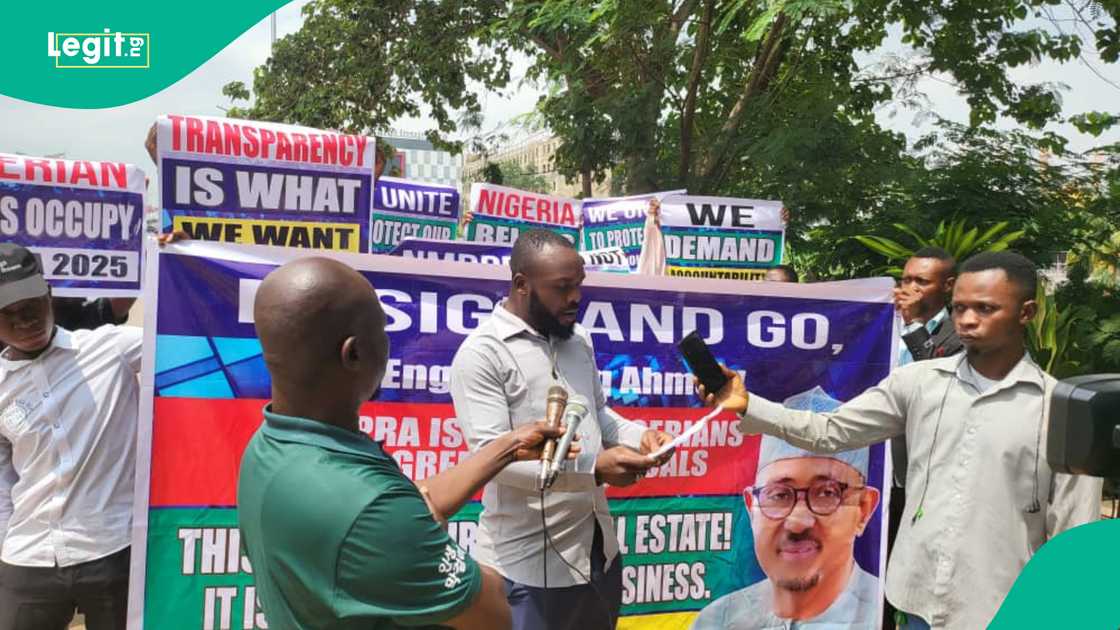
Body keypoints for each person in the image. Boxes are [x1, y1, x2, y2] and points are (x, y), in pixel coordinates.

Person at [697, 251, 1102, 629]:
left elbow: (1074, 535)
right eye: (960, 308)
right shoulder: (919, 383)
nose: (967, 320)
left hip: (1005, 608)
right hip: (918, 602)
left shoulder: (1062, 410)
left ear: (1026, 313)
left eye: (986, 308)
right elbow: (828, 430)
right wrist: (749, 405)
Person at [237, 256, 575, 630]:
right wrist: (427, 537)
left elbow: (405, 500)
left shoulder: (271, 447)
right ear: (354, 353)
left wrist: (506, 447)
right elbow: (496, 613)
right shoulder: (370, 511)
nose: (390, 345)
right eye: (383, 332)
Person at [450, 228, 674, 630]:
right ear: (522, 284)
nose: (576, 298)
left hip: (598, 557)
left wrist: (640, 436)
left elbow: (600, 416)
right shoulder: (482, 354)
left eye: (579, 285)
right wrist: (594, 469)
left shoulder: (578, 340)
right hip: (524, 571)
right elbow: (492, 461)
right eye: (562, 287)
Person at [0, 243, 143, 630]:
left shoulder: (111, 348)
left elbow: (192, 333)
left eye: (31, 305)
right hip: (27, 558)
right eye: (7, 314)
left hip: (113, 551)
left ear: (49, 296)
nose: (24, 321)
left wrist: (177, 257)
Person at [694, 436, 880, 630]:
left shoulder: (891, 617)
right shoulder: (718, 620)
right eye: (779, 495)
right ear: (751, 509)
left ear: (863, 509)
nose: (797, 523)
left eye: (826, 493)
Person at [885, 246, 962, 628]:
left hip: (928, 478)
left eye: (921, 281)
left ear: (947, 286)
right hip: (881, 472)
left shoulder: (960, 335)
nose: (909, 288)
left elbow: (940, 384)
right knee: (878, 566)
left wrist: (914, 326)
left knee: (920, 574)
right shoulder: (883, 324)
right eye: (906, 279)